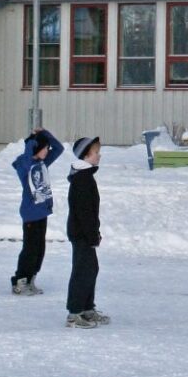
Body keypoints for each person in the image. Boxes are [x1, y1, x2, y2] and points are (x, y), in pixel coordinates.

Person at [10, 128, 63, 295]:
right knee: (30, 248)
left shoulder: (42, 163)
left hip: (42, 211)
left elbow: (59, 149)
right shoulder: (24, 165)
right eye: (45, 148)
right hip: (30, 212)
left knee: (39, 249)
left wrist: (45, 134)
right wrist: (33, 141)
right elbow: (27, 158)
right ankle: (20, 280)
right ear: (35, 149)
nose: (48, 151)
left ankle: (32, 277)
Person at [65, 136, 111, 329]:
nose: (99, 155)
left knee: (91, 269)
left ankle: (86, 308)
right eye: (95, 152)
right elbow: (84, 212)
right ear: (85, 155)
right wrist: (92, 234)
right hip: (81, 233)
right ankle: (74, 313)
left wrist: (95, 232)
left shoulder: (86, 176)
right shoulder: (82, 179)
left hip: (86, 233)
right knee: (83, 271)